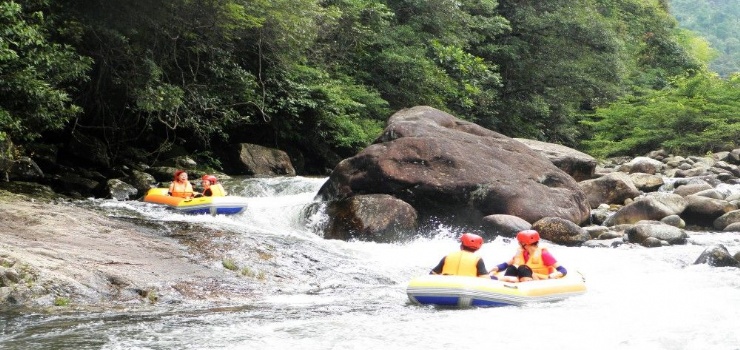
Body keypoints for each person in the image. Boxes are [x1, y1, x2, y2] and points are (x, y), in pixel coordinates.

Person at [488, 229, 567, 282]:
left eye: (520, 242)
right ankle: (504, 284)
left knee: (523, 268)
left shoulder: (544, 254)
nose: (519, 243)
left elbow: (563, 270)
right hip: (523, 278)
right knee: (512, 267)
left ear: (525, 243)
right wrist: (496, 268)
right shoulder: (521, 252)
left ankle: (502, 280)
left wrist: (554, 275)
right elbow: (507, 264)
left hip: (539, 280)